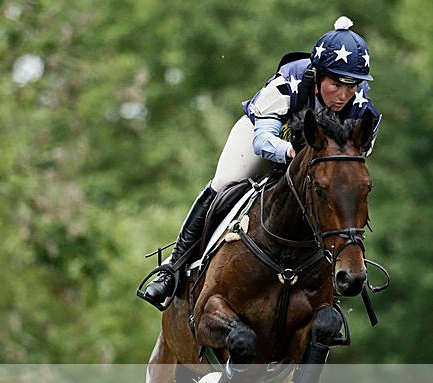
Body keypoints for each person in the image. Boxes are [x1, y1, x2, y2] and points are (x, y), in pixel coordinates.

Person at [140, 16, 381, 310]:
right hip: (267, 138)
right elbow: (262, 139)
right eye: (336, 84)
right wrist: (290, 154)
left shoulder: (363, 108)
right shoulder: (290, 80)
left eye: (352, 85)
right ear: (317, 77)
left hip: (312, 160)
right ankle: (173, 268)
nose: (344, 95)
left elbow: (352, 167)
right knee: (224, 184)